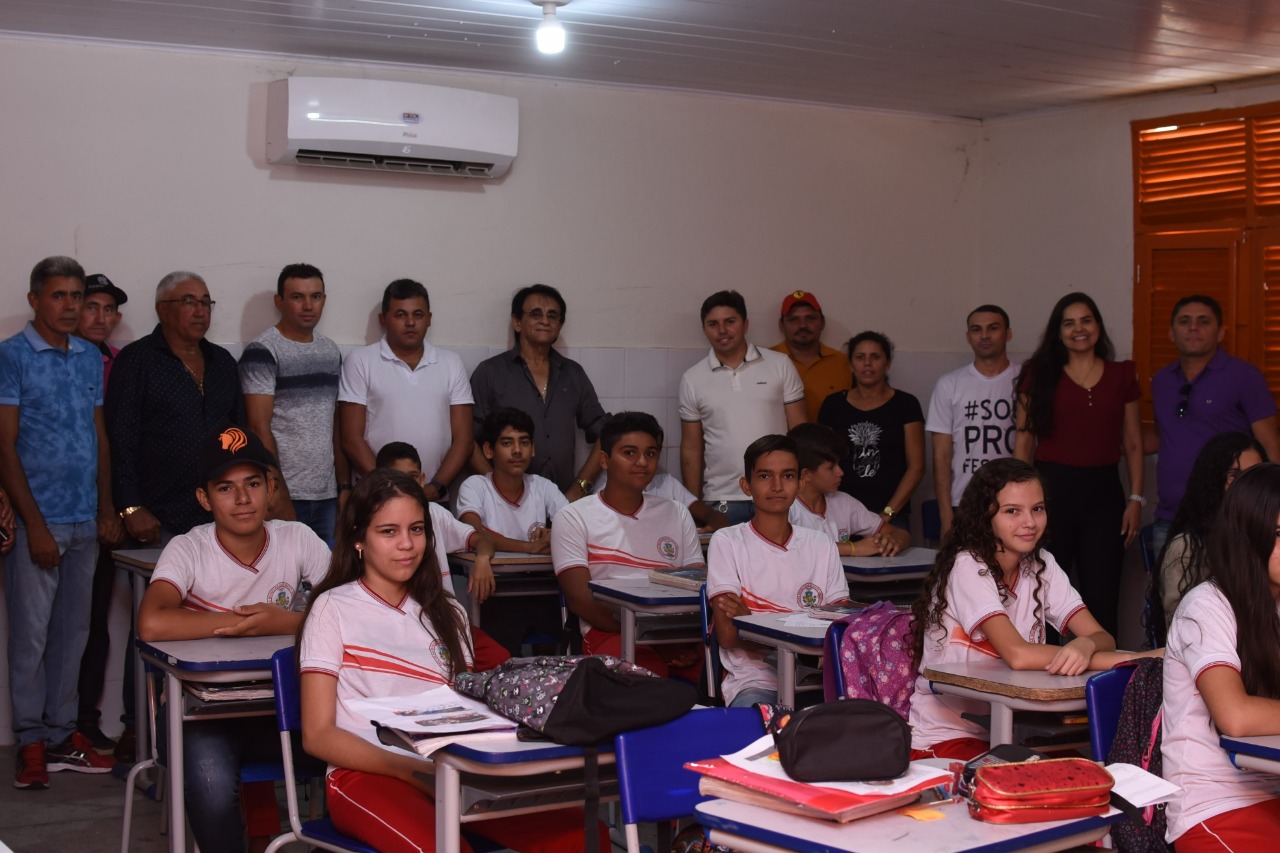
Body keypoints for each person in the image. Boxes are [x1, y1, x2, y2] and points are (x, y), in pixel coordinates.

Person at [297, 468, 607, 853]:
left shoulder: (448, 613)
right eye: (388, 531)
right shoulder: (332, 608)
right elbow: (317, 735)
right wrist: (410, 770)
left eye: (416, 529)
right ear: (359, 539)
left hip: (451, 769)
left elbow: (462, 710)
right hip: (365, 773)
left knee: (583, 835)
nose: (407, 544)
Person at [135, 426, 330, 852]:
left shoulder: (297, 539)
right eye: (226, 488)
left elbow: (350, 610)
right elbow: (151, 622)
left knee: (359, 749)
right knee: (211, 780)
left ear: (271, 488)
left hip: (284, 706)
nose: (242, 499)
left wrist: (284, 622)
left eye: (253, 484)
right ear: (204, 499)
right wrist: (240, 622)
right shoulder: (190, 549)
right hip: (199, 716)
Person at [907, 458, 1157, 761]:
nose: (1029, 522)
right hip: (948, 736)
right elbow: (1019, 655)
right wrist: (1136, 659)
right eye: (1012, 511)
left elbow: (1102, 636)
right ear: (985, 515)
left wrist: (1086, 644)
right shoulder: (968, 565)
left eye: (1037, 509)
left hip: (1018, 729)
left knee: (1090, 777)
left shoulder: (1042, 564)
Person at [2, 256, 116, 789]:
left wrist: (105, 508)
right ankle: (29, 741)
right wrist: (35, 525)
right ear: (34, 300)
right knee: (30, 638)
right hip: (38, 523)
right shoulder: (12, 357)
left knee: (76, 632)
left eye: (76, 296)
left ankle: (61, 735)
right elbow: (4, 446)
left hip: (84, 521)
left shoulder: (91, 358)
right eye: (59, 296)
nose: (70, 306)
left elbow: (98, 436)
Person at [1161, 462, 1280, 850]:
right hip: (1213, 805)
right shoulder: (1206, 606)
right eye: (1279, 534)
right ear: (1250, 536)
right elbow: (1236, 716)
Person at [1013, 293, 1143, 637]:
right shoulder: (1038, 374)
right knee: (1043, 593)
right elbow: (1024, 442)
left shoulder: (1122, 374)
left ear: (1098, 327)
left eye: (1085, 320)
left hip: (1105, 495)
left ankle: (1101, 683)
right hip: (1050, 492)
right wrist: (1016, 504)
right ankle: (1044, 678)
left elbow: (1132, 442)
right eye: (1068, 323)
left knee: (1102, 594)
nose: (1078, 329)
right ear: (1058, 332)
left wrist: (1136, 499)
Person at [553, 411, 704, 676]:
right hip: (608, 631)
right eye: (630, 453)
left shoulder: (677, 513)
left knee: (721, 669)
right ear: (604, 460)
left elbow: (696, 589)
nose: (642, 462)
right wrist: (650, 639)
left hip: (675, 633)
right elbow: (581, 601)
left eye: (650, 453)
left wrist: (671, 639)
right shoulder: (574, 516)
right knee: (648, 675)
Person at [706, 434, 852, 706]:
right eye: (764, 476)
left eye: (787, 476)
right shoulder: (727, 541)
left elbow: (836, 633)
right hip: (755, 681)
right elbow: (727, 635)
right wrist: (803, 638)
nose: (776, 486)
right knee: (758, 738)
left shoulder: (820, 544)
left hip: (817, 681)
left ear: (800, 482)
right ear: (746, 485)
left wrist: (751, 622)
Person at [107, 270, 245, 541]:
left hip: (220, 513)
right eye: (188, 302)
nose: (200, 311)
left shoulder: (223, 362)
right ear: (163, 310)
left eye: (206, 303)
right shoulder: (136, 360)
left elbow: (239, 431)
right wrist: (130, 506)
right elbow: (121, 439)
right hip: (159, 516)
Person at [1148, 294, 1279, 554]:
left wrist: (1272, 505)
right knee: (1168, 594)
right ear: (1171, 333)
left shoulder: (1244, 376)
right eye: (1185, 321)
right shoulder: (1162, 380)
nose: (1193, 327)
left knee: (1232, 593)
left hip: (1231, 517)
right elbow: (1161, 436)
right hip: (1171, 517)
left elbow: (1270, 442)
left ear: (1220, 333)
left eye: (1203, 321)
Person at [374, 442, 508, 671]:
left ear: (422, 479)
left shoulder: (436, 514)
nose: (408, 485)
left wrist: (483, 558)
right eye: (399, 478)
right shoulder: (375, 522)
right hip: (403, 628)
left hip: (446, 622)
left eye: (413, 477)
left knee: (501, 661)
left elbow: (482, 540)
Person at [240, 262, 346, 542]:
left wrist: (343, 486)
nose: (308, 305)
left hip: (326, 495)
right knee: (281, 582)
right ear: (280, 301)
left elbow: (334, 422)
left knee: (325, 579)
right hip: (283, 494)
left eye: (316, 296)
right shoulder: (263, 350)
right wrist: (276, 491)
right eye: (298, 297)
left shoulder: (330, 351)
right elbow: (257, 425)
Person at [339, 279, 472, 501]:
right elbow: (351, 439)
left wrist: (435, 487)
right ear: (383, 320)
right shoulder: (361, 361)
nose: (410, 322)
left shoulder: (451, 363)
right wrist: (389, 487)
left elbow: (464, 439)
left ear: (429, 319)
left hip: (434, 497)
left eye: (418, 315)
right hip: (377, 496)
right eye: (400, 315)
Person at [680, 291, 806, 524]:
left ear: (745, 324)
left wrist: (802, 489)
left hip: (780, 494)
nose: (722, 330)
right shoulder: (692, 378)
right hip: (722, 500)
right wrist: (693, 505)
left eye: (730, 321)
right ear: (704, 329)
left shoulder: (780, 365)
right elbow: (691, 448)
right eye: (713, 324)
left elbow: (800, 433)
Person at [470, 283, 607, 498]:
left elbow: (606, 435)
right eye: (536, 314)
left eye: (553, 316)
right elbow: (467, 440)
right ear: (517, 322)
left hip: (563, 502)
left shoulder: (573, 374)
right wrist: (497, 490)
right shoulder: (490, 373)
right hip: (504, 506)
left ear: (560, 325)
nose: (545, 321)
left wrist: (580, 487)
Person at [74, 272, 133, 756]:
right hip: (59, 510)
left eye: (108, 309)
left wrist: (115, 507)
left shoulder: (120, 364)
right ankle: (54, 727)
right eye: (91, 306)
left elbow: (115, 443)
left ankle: (85, 718)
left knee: (96, 621)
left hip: (108, 509)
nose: (100, 317)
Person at [1149, 431, 1265, 643]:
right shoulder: (1186, 548)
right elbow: (1184, 634)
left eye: (1254, 475)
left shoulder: (1269, 540)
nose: (1247, 486)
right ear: (1213, 482)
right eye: (1235, 476)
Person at [817, 330, 924, 532]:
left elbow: (916, 467)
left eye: (875, 357)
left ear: (888, 363)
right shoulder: (833, 405)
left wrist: (887, 515)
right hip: (840, 513)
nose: (867, 363)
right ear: (850, 364)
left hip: (891, 513)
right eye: (860, 357)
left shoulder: (906, 404)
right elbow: (821, 462)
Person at [926, 305, 1019, 537]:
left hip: (1015, 501)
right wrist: (946, 515)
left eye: (993, 328)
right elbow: (941, 456)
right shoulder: (949, 384)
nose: (984, 335)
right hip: (965, 500)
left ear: (1008, 333)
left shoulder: (1025, 379)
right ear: (968, 337)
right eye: (977, 329)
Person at [456, 407, 568, 553]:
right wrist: (530, 547)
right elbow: (474, 533)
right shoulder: (475, 486)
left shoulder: (543, 486)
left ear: (533, 448)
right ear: (488, 450)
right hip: (490, 574)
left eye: (524, 443)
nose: (517, 450)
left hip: (540, 575)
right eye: (507, 443)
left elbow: (574, 528)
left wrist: (552, 534)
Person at [787, 423, 908, 556]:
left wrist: (894, 542)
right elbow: (793, 546)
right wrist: (853, 548)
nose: (840, 472)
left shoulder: (843, 502)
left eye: (839, 464)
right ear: (806, 474)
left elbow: (900, 533)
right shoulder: (785, 507)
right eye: (831, 467)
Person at [769, 290, 851, 422]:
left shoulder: (843, 363)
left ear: (822, 322)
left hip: (831, 442)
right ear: (781, 325)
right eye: (793, 319)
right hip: (781, 442)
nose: (802, 325)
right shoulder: (766, 361)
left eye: (810, 318)